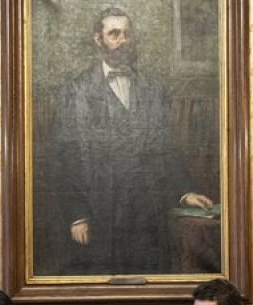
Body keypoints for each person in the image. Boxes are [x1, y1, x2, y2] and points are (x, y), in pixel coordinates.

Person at [45, 7, 213, 275]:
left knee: (149, 280)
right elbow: (66, 158)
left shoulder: (152, 88)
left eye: (126, 34)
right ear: (98, 39)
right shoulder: (76, 90)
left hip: (148, 212)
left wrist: (185, 192)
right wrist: (77, 215)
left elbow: (166, 147)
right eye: (114, 34)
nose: (122, 41)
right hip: (100, 213)